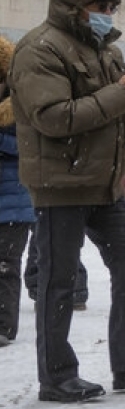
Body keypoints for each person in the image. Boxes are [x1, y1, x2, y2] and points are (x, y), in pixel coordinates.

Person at [8, 0, 125, 402]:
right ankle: (57, 376)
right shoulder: (40, 50)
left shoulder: (105, 49)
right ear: (74, 7)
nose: (108, 13)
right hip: (60, 184)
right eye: (99, 6)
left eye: (112, 6)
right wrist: (123, 91)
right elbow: (54, 118)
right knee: (59, 280)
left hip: (105, 184)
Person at [0, 35, 37, 345]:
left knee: (5, 264)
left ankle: (2, 326)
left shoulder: (21, 103)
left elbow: (31, 146)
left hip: (14, 199)